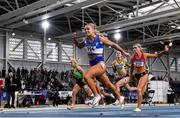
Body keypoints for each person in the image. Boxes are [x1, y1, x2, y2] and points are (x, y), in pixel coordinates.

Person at [72, 23, 130, 107]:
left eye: (88, 29)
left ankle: (96, 95)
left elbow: (114, 45)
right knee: (108, 84)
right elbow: (79, 46)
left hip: (100, 64)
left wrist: (123, 52)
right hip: (93, 65)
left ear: (93, 30)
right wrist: (74, 39)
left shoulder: (100, 39)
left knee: (87, 76)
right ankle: (120, 97)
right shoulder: (86, 40)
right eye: (85, 29)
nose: (86, 31)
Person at [130, 43, 169, 112]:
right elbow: (132, 68)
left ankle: (138, 107)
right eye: (133, 48)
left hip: (144, 75)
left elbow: (157, 55)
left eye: (135, 48)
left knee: (138, 90)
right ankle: (144, 90)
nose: (134, 49)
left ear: (140, 48)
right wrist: (130, 76)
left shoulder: (145, 55)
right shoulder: (132, 57)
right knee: (141, 92)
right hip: (136, 76)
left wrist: (164, 51)